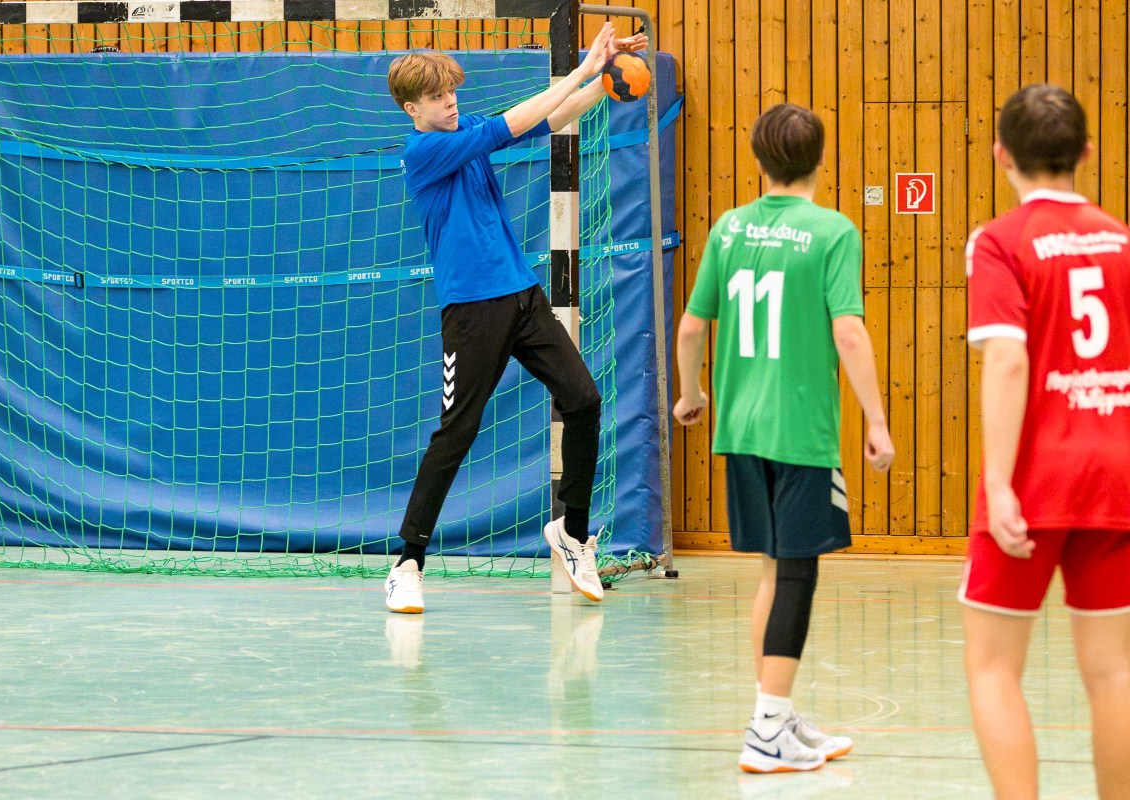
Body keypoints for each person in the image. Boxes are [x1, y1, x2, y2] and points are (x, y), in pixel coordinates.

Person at [382, 24, 648, 614]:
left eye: (453, 92)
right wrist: (582, 69)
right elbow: (513, 123)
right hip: (471, 310)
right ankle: (407, 563)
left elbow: (549, 118)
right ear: (412, 109)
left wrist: (604, 79)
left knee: (583, 400)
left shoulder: (463, 132)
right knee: (456, 433)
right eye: (438, 98)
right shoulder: (423, 152)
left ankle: (572, 533)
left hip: (523, 296)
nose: (451, 102)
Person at [672, 103, 894, 773]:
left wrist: (690, 394)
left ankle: (775, 714)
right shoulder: (833, 231)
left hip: (739, 429)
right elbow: (848, 330)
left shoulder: (729, 227)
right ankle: (768, 731)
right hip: (800, 432)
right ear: (821, 160)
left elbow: (691, 326)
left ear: (758, 160)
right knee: (797, 571)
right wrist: (877, 421)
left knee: (773, 570)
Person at [961, 84, 1130, 800]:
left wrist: (1001, 484)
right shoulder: (1122, 241)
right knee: (1114, 672)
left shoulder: (1000, 241)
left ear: (1001, 154)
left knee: (994, 667)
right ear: (1086, 153)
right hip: (1115, 473)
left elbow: (1007, 358)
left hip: (1037, 475)